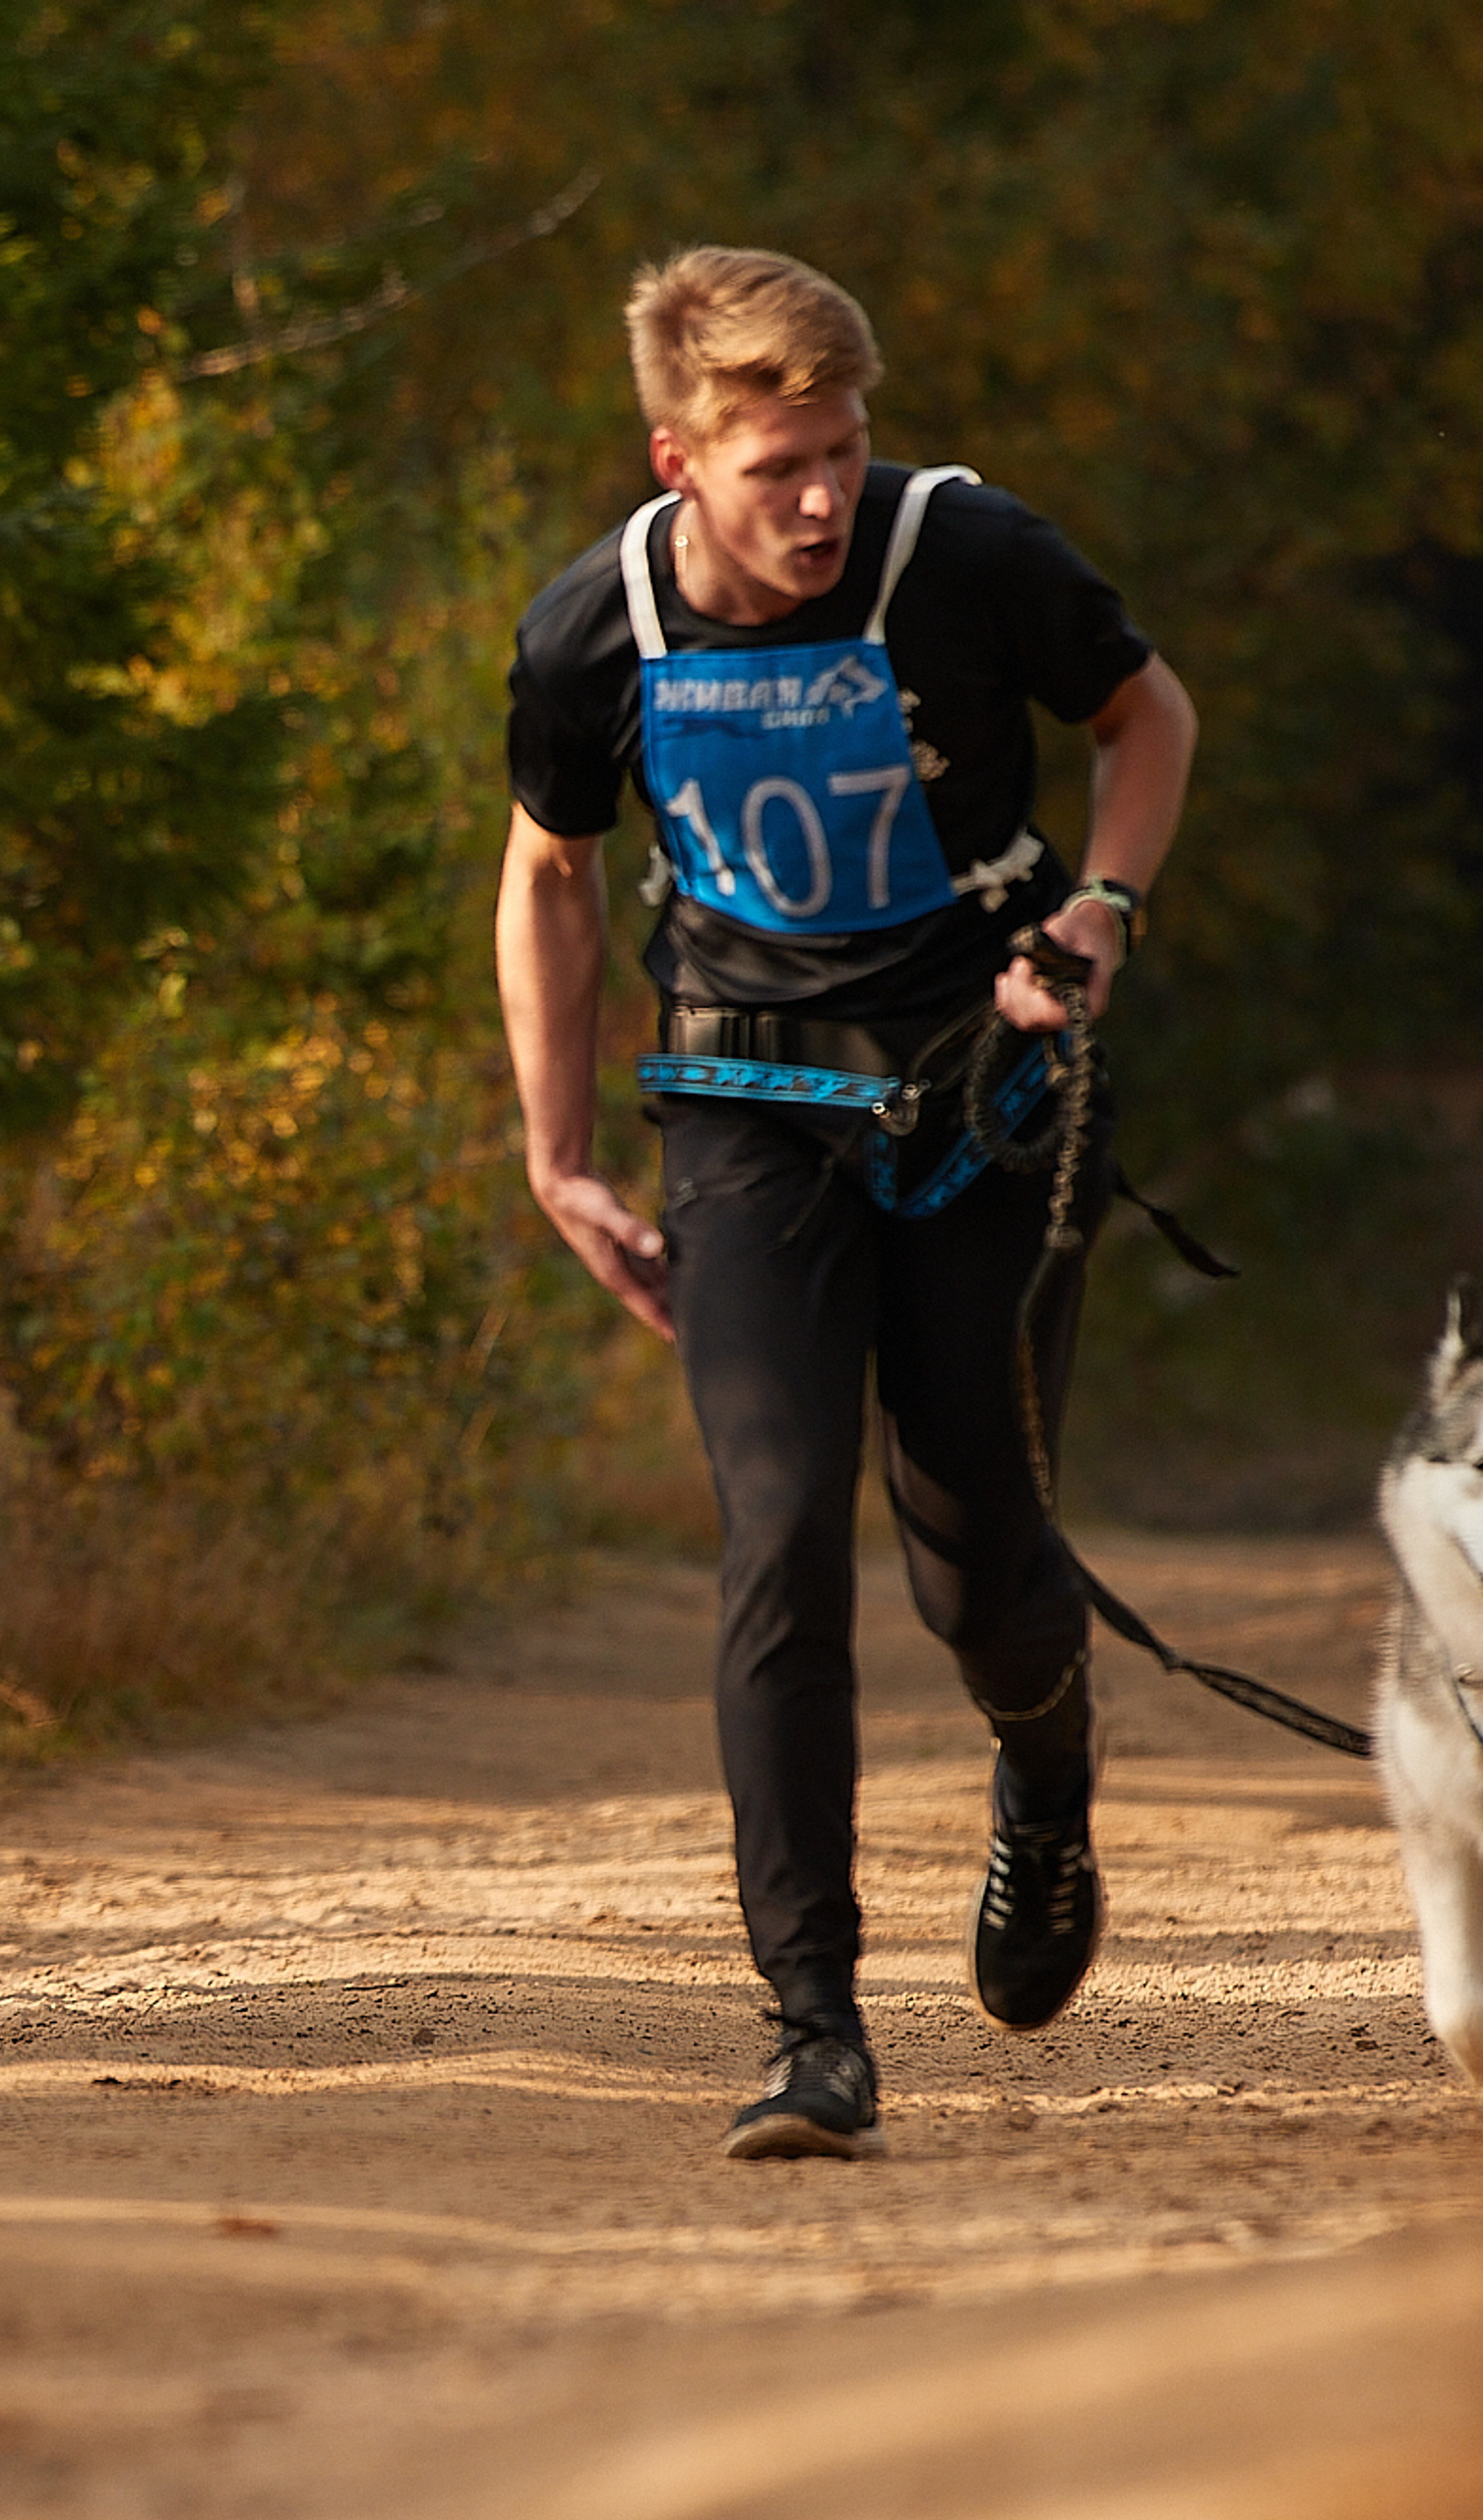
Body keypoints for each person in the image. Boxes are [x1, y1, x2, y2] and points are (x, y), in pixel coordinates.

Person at [496, 248, 1198, 2161]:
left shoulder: (969, 559)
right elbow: (548, 874)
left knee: (973, 1557)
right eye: (772, 466)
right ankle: (811, 2024)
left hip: (977, 1092)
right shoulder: (591, 629)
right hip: (739, 1114)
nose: (817, 500)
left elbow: (1149, 721)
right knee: (779, 1522)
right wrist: (555, 1151)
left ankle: (1042, 1779)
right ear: (675, 457)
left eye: (839, 452)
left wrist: (1099, 912)